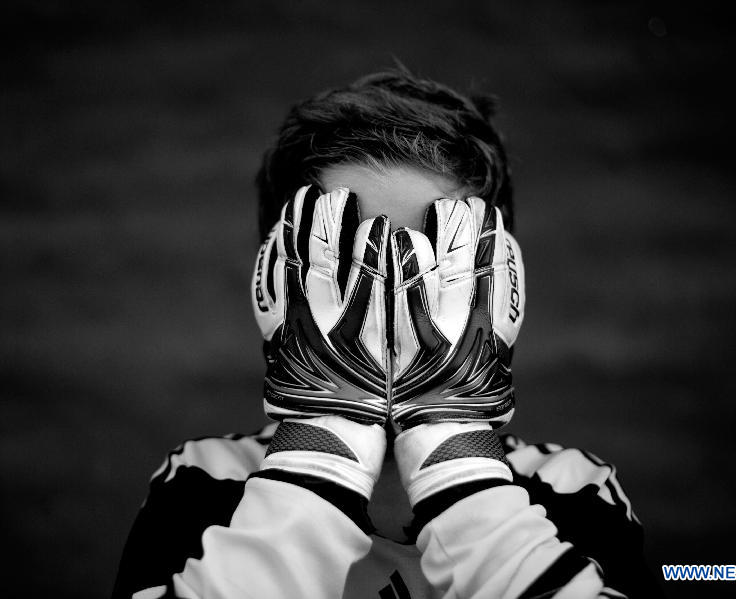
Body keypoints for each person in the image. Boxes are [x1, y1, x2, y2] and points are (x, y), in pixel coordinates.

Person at [112, 69, 664, 599]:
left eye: (432, 265)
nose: (393, 303)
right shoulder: (206, 482)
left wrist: (456, 449)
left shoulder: (571, 489)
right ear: (277, 284)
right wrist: (324, 440)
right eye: (350, 261)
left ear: (500, 287)